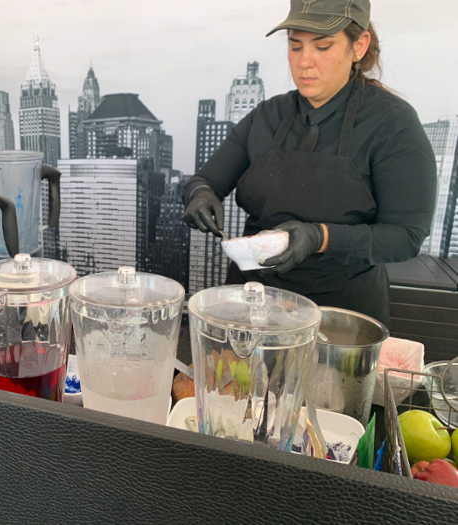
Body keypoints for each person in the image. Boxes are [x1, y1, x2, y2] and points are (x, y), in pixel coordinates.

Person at [182, 0, 437, 326]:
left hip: (340, 316)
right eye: (295, 45)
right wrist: (200, 195)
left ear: (358, 46)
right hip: (253, 304)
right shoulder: (266, 116)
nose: (304, 62)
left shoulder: (392, 123)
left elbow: (405, 236)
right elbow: (205, 181)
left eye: (323, 46)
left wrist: (319, 237)